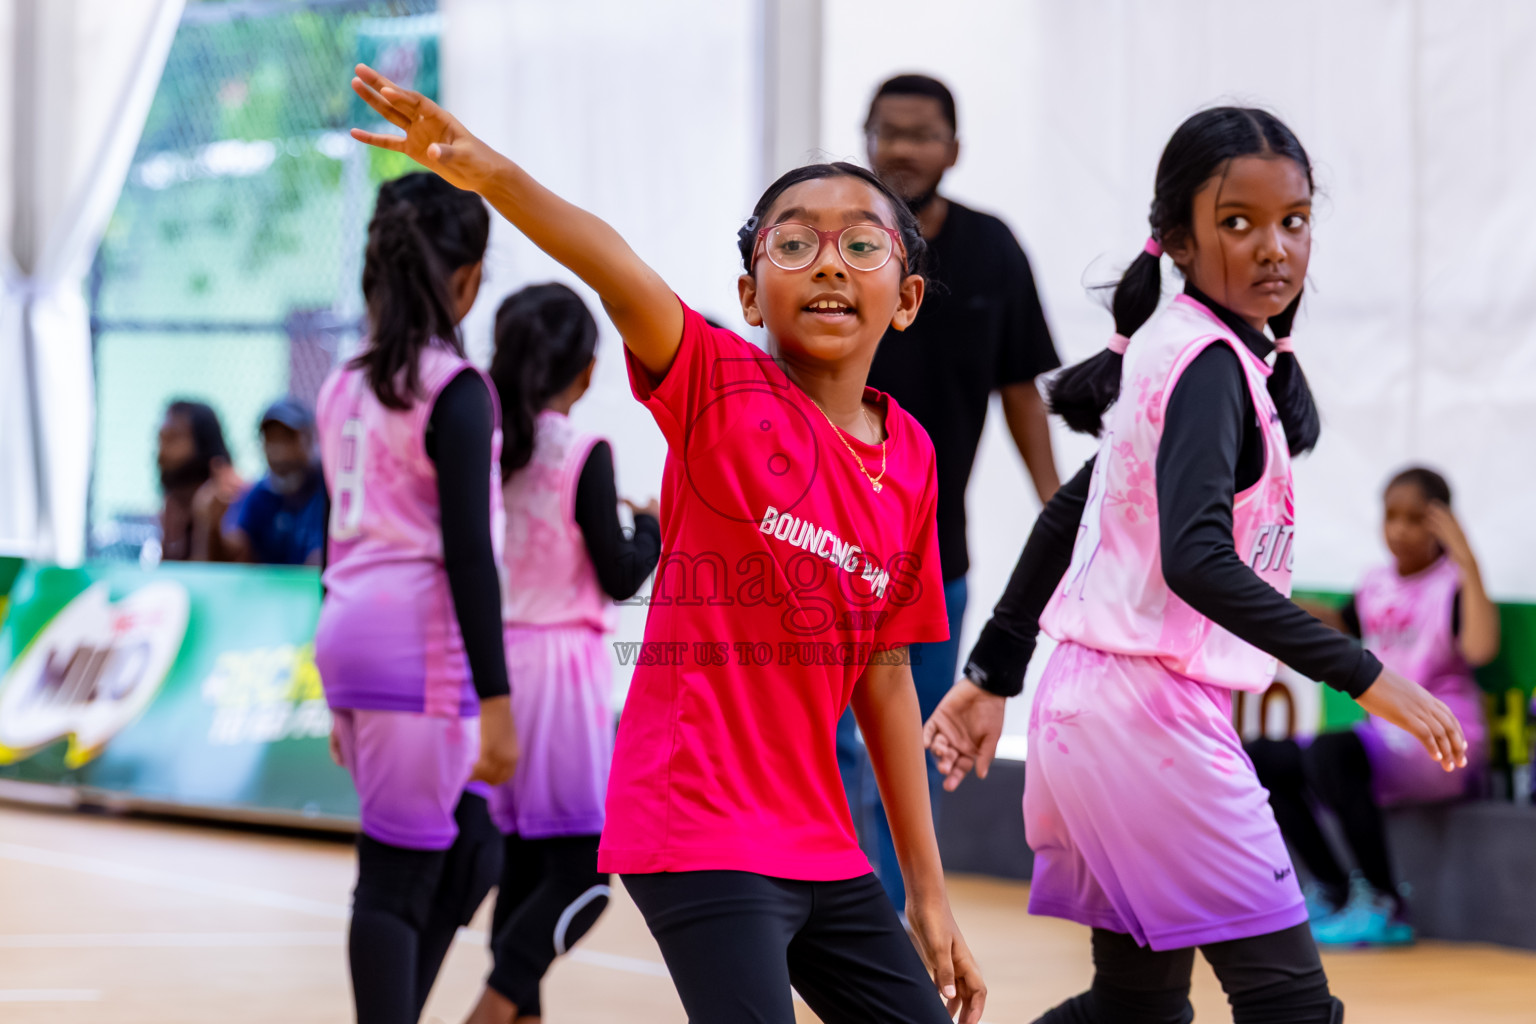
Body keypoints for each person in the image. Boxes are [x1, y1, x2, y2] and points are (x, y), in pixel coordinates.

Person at [350, 63, 985, 1024]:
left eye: (862, 244)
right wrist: (488, 173)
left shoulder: (913, 458)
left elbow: (888, 676)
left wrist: (929, 895)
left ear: (905, 297)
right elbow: (612, 262)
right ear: (750, 290)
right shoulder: (722, 391)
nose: (827, 263)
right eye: (795, 243)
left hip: (825, 843)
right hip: (699, 825)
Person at [922, 107, 1467, 1024]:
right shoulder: (1206, 363)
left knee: (1134, 1009)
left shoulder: (1179, 349)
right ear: (1176, 237)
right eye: (1238, 222)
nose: (1274, 247)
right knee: (1289, 1009)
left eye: (1293, 222)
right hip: (1146, 724)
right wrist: (1369, 678)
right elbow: (1198, 562)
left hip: (1090, 709)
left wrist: (993, 672)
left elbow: (1072, 509)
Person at [849, 71, 1064, 912]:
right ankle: (847, 927)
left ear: (954, 148)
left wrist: (1057, 502)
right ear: (866, 136)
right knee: (835, 751)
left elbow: (1021, 388)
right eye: (888, 131)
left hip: (936, 559)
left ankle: (894, 930)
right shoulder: (838, 238)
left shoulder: (991, 249)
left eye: (921, 133)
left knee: (903, 756)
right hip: (824, 553)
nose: (903, 148)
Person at [313, 171, 520, 1024]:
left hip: (351, 634)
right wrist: (499, 702)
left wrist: (333, 689)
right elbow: (470, 554)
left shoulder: (342, 383)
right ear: (467, 279)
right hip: (417, 648)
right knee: (394, 880)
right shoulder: (455, 389)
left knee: (475, 846)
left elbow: (329, 536)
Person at [464, 283, 662, 1024]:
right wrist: (651, 528)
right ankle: (491, 1009)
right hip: (558, 676)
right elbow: (617, 576)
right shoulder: (583, 450)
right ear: (585, 370)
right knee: (583, 872)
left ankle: (519, 1009)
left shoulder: (483, 440)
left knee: (519, 868)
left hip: (491, 665)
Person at [1247, 466, 1496, 947]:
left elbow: (1481, 648)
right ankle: (1334, 890)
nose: (1401, 530)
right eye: (1392, 517)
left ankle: (1385, 902)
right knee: (1265, 759)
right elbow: (1336, 620)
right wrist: (1253, 591)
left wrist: (1468, 559)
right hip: (1385, 740)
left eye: (1416, 519)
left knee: (1332, 751)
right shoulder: (1376, 583)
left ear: (1443, 524)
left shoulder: (1453, 584)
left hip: (1441, 742)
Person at [213, 398, 327, 565]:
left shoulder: (326, 489)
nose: (279, 451)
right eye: (271, 440)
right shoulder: (260, 494)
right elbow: (237, 546)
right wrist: (212, 524)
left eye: (288, 439)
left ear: (309, 438)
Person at [155, 399, 243, 562]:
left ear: (204, 442)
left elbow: (210, 577)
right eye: (160, 440)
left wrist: (207, 524)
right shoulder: (174, 503)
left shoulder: (234, 499)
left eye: (172, 439)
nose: (161, 453)